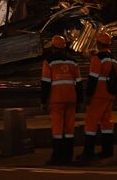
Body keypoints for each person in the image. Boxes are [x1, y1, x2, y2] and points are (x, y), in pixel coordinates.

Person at [78, 30, 117, 162]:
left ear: (98, 43)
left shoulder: (97, 59)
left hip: (98, 94)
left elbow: (93, 78)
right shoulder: (114, 60)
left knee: (91, 122)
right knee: (107, 122)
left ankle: (88, 152)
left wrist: (88, 95)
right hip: (110, 94)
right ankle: (108, 151)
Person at [41, 35, 83, 165]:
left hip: (56, 98)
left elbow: (46, 82)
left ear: (53, 47)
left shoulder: (48, 61)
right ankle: (68, 156)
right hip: (71, 98)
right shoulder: (73, 61)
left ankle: (57, 157)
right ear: (64, 47)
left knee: (58, 128)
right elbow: (79, 82)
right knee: (69, 128)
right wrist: (80, 100)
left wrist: (43, 101)